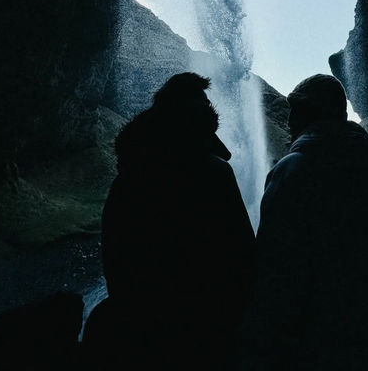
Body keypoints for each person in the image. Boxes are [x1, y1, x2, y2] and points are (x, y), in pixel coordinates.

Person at [82, 72, 256, 370]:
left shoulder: (130, 176)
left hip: (140, 332)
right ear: (199, 117)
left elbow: (115, 255)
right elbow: (243, 254)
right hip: (209, 330)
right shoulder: (214, 173)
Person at [236, 74, 368, 370]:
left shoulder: (293, 169)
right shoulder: (365, 169)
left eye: (296, 109)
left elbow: (275, 263)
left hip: (307, 331)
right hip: (366, 322)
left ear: (309, 113)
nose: (289, 120)